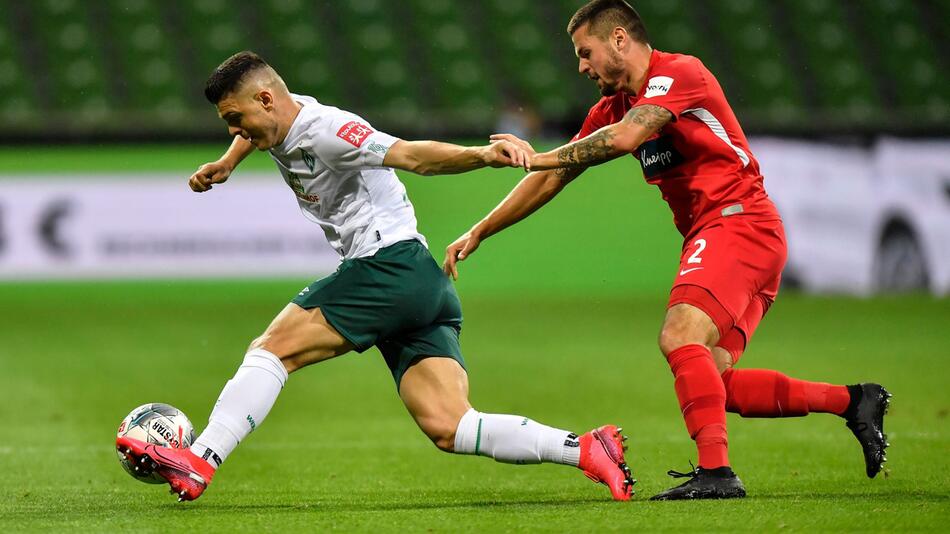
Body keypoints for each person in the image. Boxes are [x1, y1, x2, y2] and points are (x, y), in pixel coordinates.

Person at [116, 51, 634, 502]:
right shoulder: (275, 111)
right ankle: (587, 449)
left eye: (236, 119)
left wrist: (481, 154)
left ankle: (201, 457)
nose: (235, 130)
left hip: (387, 266)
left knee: (272, 350)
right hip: (422, 286)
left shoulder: (329, 130)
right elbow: (258, 128)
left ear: (267, 102)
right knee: (452, 426)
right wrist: (230, 160)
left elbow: (412, 155)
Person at [443, 0, 890, 500]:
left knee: (680, 335)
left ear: (618, 39)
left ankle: (717, 474)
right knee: (715, 381)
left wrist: (535, 154)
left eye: (585, 52)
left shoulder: (678, 73)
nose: (581, 66)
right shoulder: (611, 109)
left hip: (738, 223)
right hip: (738, 236)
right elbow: (553, 179)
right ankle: (854, 401)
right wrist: (482, 228)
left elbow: (626, 137)